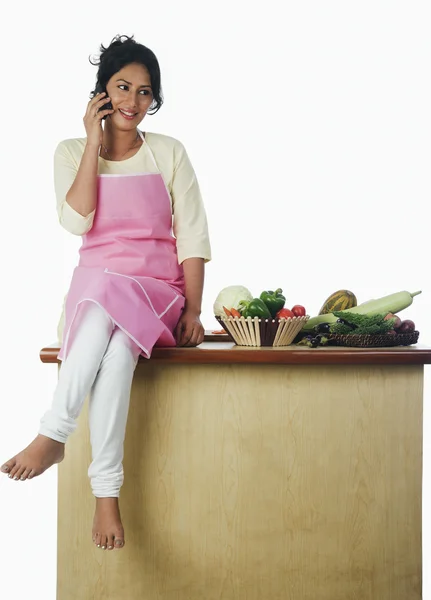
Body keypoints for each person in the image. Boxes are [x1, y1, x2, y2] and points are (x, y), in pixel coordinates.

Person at [1, 34, 211, 551]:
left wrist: (195, 309)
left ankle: (54, 433)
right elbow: (76, 221)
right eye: (122, 88)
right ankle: (105, 494)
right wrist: (93, 144)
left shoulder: (169, 152)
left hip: (156, 291)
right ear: (102, 92)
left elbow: (193, 235)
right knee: (115, 355)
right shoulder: (72, 151)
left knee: (105, 306)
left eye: (144, 93)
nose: (132, 102)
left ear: (153, 99)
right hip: (96, 295)